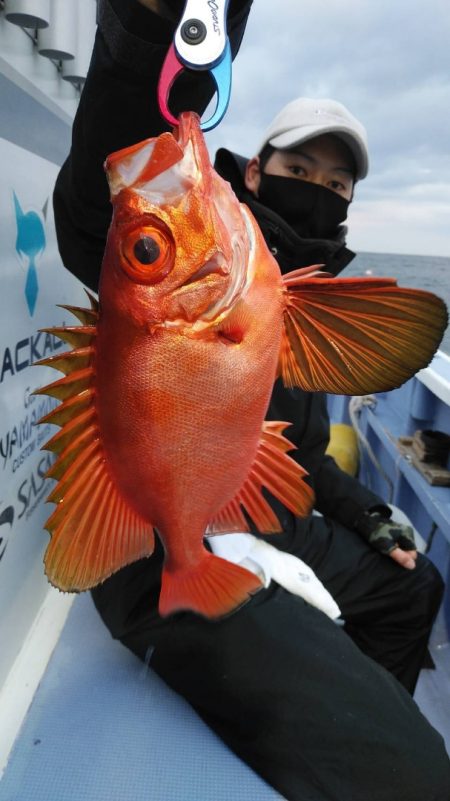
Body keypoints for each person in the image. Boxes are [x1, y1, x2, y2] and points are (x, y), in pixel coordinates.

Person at [52, 1, 450, 799]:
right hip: (165, 543)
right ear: (256, 170)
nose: (319, 190)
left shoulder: (281, 297)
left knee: (415, 587)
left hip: (255, 505)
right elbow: (102, 212)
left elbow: (295, 455)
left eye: (336, 182)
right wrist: (145, 31)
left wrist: (367, 514)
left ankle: (333, 704)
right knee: (414, 776)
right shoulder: (187, 253)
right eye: (300, 171)